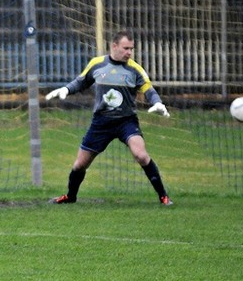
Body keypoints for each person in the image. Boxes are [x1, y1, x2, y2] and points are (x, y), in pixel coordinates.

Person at [46, 31, 174, 206]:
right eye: (126, 48)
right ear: (114, 46)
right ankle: (70, 196)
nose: (129, 52)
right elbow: (81, 81)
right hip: (101, 122)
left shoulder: (134, 69)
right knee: (79, 165)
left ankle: (163, 197)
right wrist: (66, 89)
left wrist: (158, 103)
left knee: (141, 156)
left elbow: (148, 89)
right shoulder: (97, 64)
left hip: (126, 121)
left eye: (131, 49)